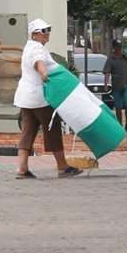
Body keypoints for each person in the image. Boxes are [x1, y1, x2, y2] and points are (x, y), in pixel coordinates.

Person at [13, 18, 82, 179]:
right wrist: (44, 74)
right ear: (35, 34)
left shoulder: (28, 47)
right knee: (53, 129)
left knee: (28, 130)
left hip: (25, 97)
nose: (47, 34)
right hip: (39, 97)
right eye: (44, 31)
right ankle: (62, 167)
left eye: (48, 30)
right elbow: (39, 63)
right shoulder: (37, 49)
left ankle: (22, 168)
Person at [103, 38, 127, 129]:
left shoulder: (125, 57)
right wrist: (105, 85)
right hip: (116, 86)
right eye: (117, 47)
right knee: (118, 106)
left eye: (120, 47)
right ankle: (120, 124)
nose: (119, 49)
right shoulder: (111, 59)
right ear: (114, 48)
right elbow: (107, 73)